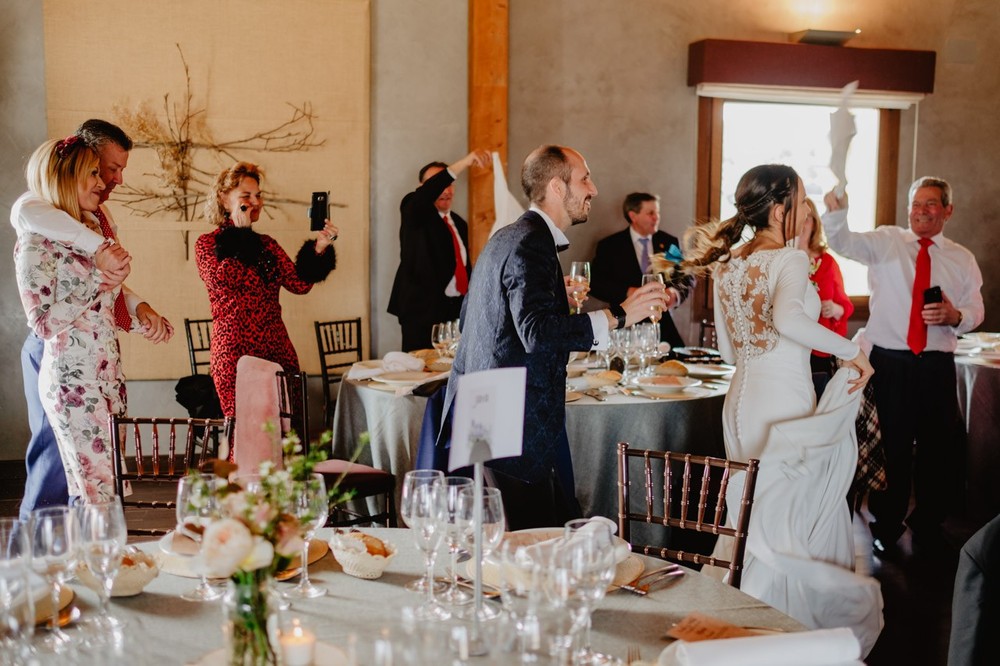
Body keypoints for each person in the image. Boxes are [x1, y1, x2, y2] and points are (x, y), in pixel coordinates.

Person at [681, 165, 880, 645]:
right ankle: (778, 635)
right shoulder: (787, 261)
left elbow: (730, 353)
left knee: (751, 516)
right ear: (779, 209)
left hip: (742, 401)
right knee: (785, 517)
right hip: (784, 399)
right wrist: (853, 352)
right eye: (801, 199)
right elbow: (790, 320)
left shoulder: (729, 263)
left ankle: (738, 624)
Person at [442, 145, 667, 528]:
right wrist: (620, 316)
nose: (593, 189)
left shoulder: (509, 236)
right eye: (584, 178)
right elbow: (536, 333)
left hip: (489, 412)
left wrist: (551, 295)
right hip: (515, 422)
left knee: (509, 538)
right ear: (557, 188)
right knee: (531, 547)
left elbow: (480, 317)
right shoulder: (531, 242)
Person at [10, 119, 171, 517]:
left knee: (101, 490)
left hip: (103, 372)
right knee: (64, 475)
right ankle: (37, 558)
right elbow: (47, 319)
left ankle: (92, 561)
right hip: (65, 369)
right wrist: (100, 276)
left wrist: (140, 310)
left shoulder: (95, 221)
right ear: (73, 170)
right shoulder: (35, 217)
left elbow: (109, 290)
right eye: (102, 170)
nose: (111, 180)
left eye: (113, 171)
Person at [823, 177, 984, 555]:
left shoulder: (961, 258)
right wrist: (838, 206)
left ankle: (928, 524)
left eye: (931, 205)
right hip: (890, 362)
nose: (921, 212)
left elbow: (976, 309)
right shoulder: (886, 241)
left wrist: (954, 314)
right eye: (916, 204)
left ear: (948, 210)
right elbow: (842, 241)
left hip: (936, 363)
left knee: (938, 448)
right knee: (890, 447)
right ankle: (887, 525)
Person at [195, 162, 338, 436]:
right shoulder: (207, 244)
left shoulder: (267, 245)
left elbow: (299, 285)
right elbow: (223, 281)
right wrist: (240, 236)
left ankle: (284, 481)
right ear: (225, 199)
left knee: (284, 435)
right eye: (246, 196)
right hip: (234, 351)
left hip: (277, 349)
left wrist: (319, 247)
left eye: (258, 195)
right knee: (246, 435)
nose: (255, 202)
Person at [388, 150, 490, 351]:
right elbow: (424, 197)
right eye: (438, 183)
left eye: (449, 184)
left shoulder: (459, 223)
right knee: (423, 374)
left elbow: (461, 264)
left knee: (451, 373)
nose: (445, 189)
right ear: (422, 188)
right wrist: (464, 163)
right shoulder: (413, 210)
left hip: (454, 310)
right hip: (421, 311)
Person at [590, 192, 694, 348]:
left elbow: (686, 277)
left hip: (662, 328)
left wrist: (674, 294)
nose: (656, 217)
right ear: (633, 216)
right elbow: (596, 282)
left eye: (657, 212)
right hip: (624, 328)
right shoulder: (610, 246)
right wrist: (628, 292)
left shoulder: (668, 243)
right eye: (650, 213)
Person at [796, 198, 854, 378]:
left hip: (819, 349)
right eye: (800, 217)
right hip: (791, 347)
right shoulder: (783, 259)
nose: (803, 224)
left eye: (808, 218)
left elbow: (845, 306)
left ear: (814, 224)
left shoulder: (827, 262)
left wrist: (835, 309)